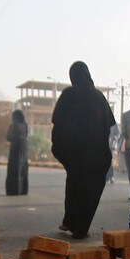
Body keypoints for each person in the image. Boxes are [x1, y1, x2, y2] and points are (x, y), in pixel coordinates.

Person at [51, 61, 116, 239]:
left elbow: (57, 123)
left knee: (74, 185)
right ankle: (80, 227)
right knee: (90, 190)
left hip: (73, 155)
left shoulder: (68, 95)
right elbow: (109, 126)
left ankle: (70, 220)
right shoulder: (98, 97)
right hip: (95, 156)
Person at [5, 110, 29, 196]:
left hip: (15, 147)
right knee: (23, 169)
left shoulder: (13, 125)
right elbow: (26, 135)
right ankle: (23, 190)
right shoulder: (25, 125)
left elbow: (8, 137)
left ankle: (13, 190)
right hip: (24, 147)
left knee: (14, 169)